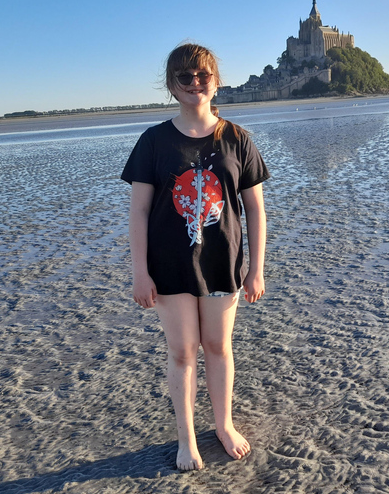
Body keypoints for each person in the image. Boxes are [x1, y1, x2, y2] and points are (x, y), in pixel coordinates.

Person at [121, 43, 269, 471]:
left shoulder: (237, 138)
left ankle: (223, 424)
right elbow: (139, 211)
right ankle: (187, 439)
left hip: (223, 261)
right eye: (184, 77)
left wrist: (256, 268)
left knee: (218, 346)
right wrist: (140, 274)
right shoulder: (153, 141)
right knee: (183, 351)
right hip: (169, 264)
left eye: (203, 75)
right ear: (172, 85)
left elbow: (255, 210)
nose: (195, 83)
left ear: (215, 80)